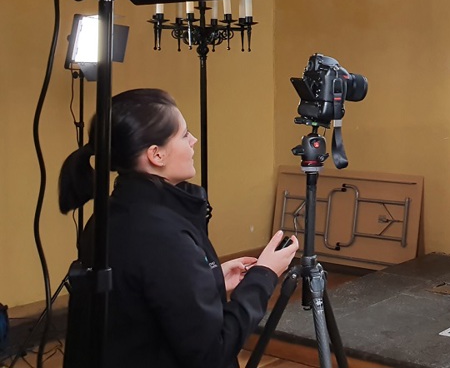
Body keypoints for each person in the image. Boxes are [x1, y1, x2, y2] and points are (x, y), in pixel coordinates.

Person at [58, 88, 299, 368]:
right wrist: (264, 275)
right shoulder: (161, 235)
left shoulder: (110, 215)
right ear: (156, 155)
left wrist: (208, 279)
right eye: (184, 135)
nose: (194, 140)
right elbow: (211, 353)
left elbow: (139, 300)